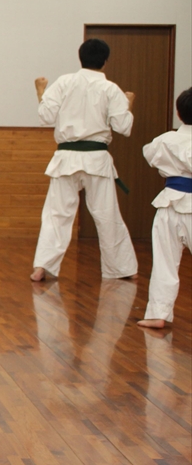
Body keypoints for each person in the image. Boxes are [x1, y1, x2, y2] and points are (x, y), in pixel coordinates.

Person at [31, 39, 138, 282]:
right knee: (107, 214)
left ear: (80, 57)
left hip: (66, 158)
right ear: (105, 60)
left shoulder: (64, 82)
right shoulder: (111, 89)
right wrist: (129, 103)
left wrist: (40, 92)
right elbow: (123, 127)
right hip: (96, 160)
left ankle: (43, 267)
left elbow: (46, 116)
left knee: (57, 215)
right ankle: (121, 268)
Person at [137, 87, 192, 328]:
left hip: (168, 204)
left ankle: (157, 313)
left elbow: (149, 155)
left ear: (179, 114)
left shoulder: (164, 140)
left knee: (164, 261)